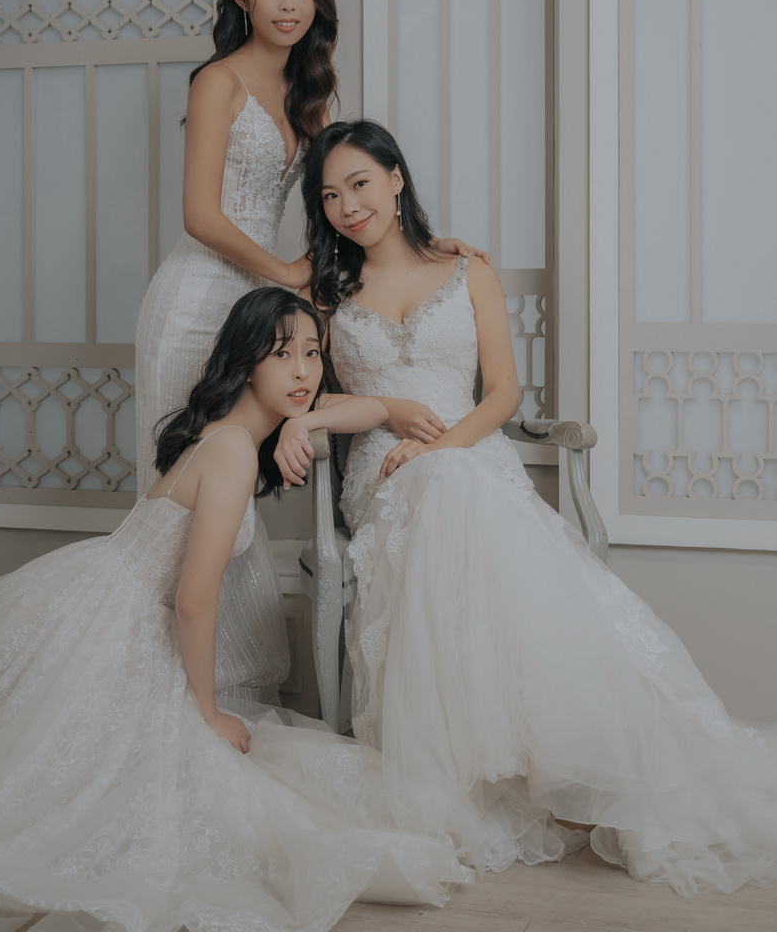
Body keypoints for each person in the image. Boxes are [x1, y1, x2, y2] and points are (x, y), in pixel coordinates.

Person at [299, 119, 777, 898]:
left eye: (359, 184)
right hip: (383, 471)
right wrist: (380, 413)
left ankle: (574, 760)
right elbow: (304, 390)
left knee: (457, 490)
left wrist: (441, 447)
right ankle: (483, 769)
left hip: (469, 453)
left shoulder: (468, 271)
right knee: (446, 494)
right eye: (329, 196)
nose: (347, 206)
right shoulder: (324, 292)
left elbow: (505, 395)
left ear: (395, 178)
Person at [0, 288, 470, 932]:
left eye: (313, 353)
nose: (302, 371)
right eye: (281, 354)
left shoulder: (245, 429)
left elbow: (372, 406)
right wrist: (208, 713)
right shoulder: (234, 449)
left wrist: (333, 417)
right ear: (246, 361)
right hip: (109, 616)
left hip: (101, 593)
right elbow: (193, 599)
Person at [134, 0, 485, 708]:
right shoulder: (218, 80)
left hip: (261, 308)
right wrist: (289, 274)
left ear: (317, 1)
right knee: (186, 482)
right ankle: (159, 684)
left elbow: (353, 196)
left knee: (236, 486)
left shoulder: (308, 92)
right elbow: (199, 215)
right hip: (198, 298)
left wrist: (424, 245)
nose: (288, 3)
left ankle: (224, 684)